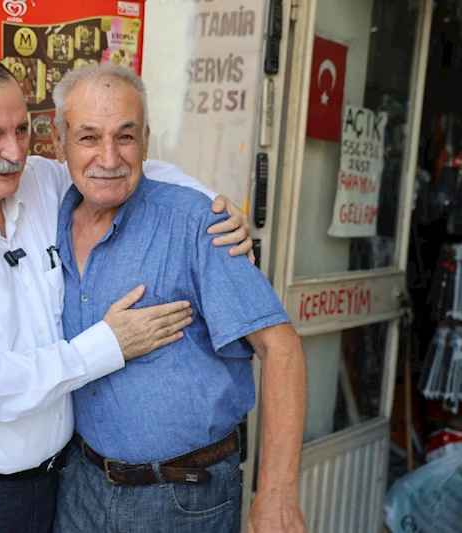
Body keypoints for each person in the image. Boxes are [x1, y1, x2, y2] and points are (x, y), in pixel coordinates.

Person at [0, 53, 251, 533]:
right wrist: (107, 345)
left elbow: (119, 169)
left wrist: (214, 208)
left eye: (21, 130)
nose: (14, 151)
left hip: (58, 483)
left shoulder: (37, 182)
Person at [49, 64, 307, 533]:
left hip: (183, 499)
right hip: (79, 489)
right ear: (59, 140)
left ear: (146, 140)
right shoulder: (48, 222)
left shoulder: (196, 222)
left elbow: (282, 348)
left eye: (125, 137)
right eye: (88, 137)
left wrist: (276, 493)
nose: (109, 157)